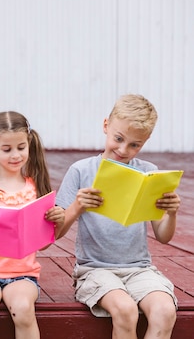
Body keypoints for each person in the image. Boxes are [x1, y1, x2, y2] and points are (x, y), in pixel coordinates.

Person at [56, 94, 180, 339]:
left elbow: (163, 236)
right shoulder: (81, 170)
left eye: (135, 144)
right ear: (106, 126)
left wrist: (172, 213)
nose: (123, 150)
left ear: (145, 142)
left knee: (165, 310)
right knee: (125, 310)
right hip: (94, 270)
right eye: (118, 139)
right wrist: (76, 208)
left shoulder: (149, 173)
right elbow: (55, 232)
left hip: (139, 269)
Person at [0, 111, 65, 339]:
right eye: (7, 149)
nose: (15, 155)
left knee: (23, 309)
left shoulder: (36, 189)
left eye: (21, 147)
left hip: (24, 274)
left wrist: (57, 223)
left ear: (29, 144)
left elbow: (44, 245)